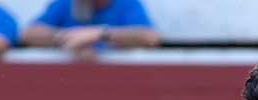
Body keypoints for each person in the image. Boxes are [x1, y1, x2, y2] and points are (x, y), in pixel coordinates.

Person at [20, 0, 159, 58]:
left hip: (117, 85)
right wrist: (72, 37)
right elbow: (30, 33)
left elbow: (149, 37)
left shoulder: (126, 4)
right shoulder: (66, 3)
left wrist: (100, 33)